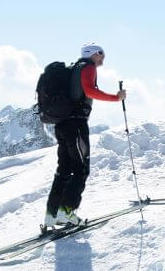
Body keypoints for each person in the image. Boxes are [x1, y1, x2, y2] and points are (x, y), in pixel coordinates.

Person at [44, 43, 125, 228]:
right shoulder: (88, 67)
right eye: (101, 53)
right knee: (81, 168)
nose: (103, 57)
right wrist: (116, 97)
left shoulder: (74, 69)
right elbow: (90, 91)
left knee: (64, 169)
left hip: (62, 124)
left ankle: (52, 214)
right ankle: (67, 212)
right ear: (92, 54)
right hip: (76, 125)